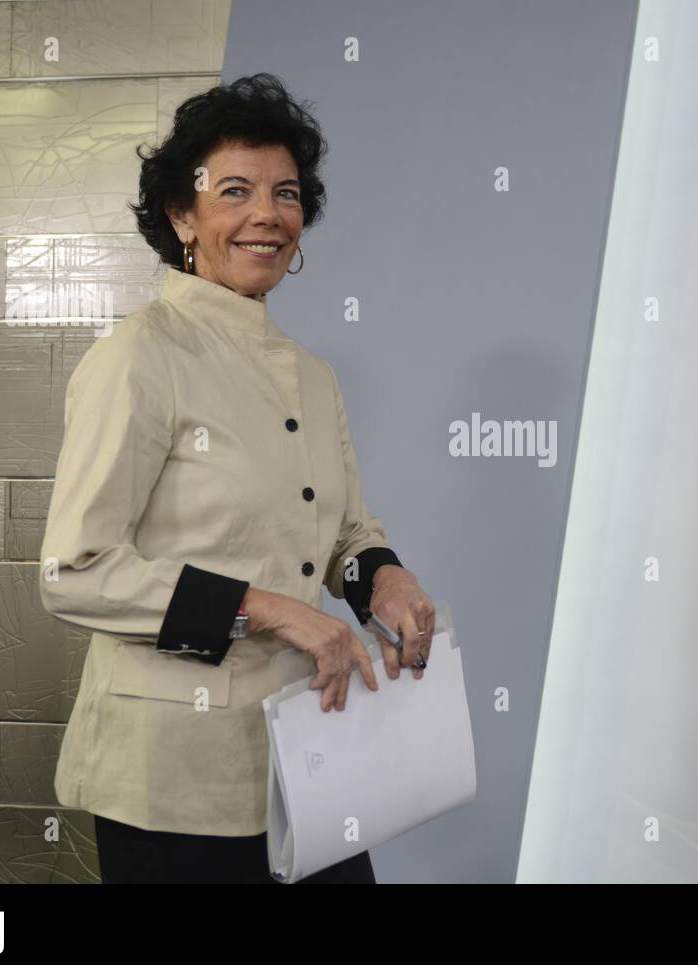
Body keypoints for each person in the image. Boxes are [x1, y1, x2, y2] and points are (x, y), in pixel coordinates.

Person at [39, 73, 435, 884]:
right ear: (181, 217)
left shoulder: (313, 375)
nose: (268, 214)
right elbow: (74, 574)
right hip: (172, 783)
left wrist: (382, 579)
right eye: (235, 191)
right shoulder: (138, 357)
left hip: (310, 756)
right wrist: (267, 611)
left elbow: (347, 531)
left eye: (285, 193)